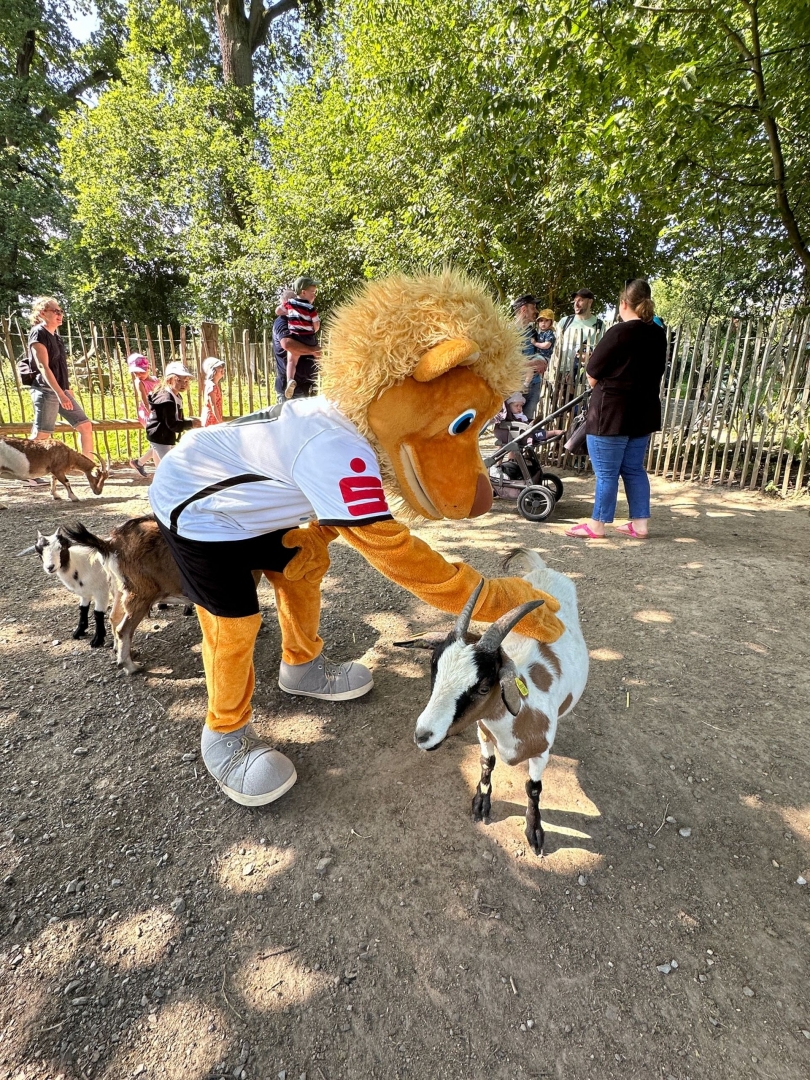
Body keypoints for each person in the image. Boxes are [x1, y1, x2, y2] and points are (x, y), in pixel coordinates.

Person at [148, 269, 567, 810]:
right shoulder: (337, 448)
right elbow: (402, 559)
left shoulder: (342, 426)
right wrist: (501, 599)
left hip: (244, 503)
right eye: (463, 425)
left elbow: (317, 496)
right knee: (234, 624)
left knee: (303, 565)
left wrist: (319, 531)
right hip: (198, 512)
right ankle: (223, 734)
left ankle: (301, 666)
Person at [565, 279, 666, 539]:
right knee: (634, 469)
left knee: (606, 473)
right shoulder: (657, 334)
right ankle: (640, 525)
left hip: (611, 413)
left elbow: (592, 373)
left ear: (623, 303)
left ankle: (597, 525)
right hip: (643, 413)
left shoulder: (619, 332)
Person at [26, 297, 93, 458]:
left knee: (85, 426)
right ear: (42, 313)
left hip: (60, 391)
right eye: (55, 311)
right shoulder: (38, 333)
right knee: (41, 435)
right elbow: (43, 366)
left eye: (61, 311)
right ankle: (22, 468)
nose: (60, 314)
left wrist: (66, 389)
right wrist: (60, 394)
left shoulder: (56, 337)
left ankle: (87, 466)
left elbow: (60, 366)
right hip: (46, 390)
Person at [145, 361, 200, 464]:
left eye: (186, 381)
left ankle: (141, 464)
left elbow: (176, 417)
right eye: (179, 380)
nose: (183, 384)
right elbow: (173, 424)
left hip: (164, 435)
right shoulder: (166, 400)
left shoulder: (176, 395)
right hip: (160, 436)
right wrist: (190, 424)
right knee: (169, 465)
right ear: (169, 380)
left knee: (162, 466)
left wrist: (189, 422)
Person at [275, 276, 321, 399]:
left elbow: (278, 310)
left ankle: (293, 380)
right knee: (317, 356)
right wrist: (313, 350)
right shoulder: (282, 322)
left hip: (305, 385)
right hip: (294, 393)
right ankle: (290, 381)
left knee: (293, 361)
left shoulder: (292, 307)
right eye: (312, 292)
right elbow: (287, 344)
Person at [558, 289, 604, 384]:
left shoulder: (599, 325)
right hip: (563, 374)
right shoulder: (565, 321)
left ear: (590, 302)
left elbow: (602, 351)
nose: (576, 304)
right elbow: (556, 347)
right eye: (575, 301)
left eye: (580, 300)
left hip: (586, 377)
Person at [128, 352, 160, 476]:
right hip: (147, 413)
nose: (138, 375)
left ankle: (139, 462)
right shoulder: (139, 382)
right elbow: (145, 400)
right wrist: (152, 413)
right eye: (136, 373)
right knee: (157, 443)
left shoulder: (156, 380)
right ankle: (160, 471)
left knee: (159, 443)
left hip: (157, 412)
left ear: (148, 368)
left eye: (141, 372)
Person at [524, 308, 556, 419]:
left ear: (551, 322)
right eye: (541, 320)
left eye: (546, 321)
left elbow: (546, 345)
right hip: (538, 355)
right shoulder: (538, 332)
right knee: (530, 367)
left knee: (529, 365)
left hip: (543, 356)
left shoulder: (549, 333)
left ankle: (526, 384)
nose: (543, 323)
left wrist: (535, 343)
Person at [200, 356, 226, 427]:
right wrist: (220, 422)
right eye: (219, 367)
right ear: (213, 371)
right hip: (211, 421)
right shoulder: (211, 386)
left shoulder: (214, 385)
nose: (222, 368)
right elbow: (213, 405)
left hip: (214, 420)